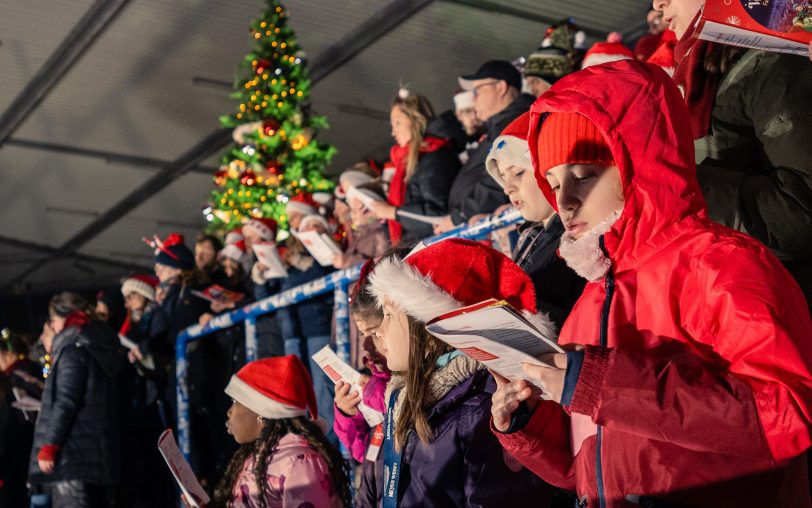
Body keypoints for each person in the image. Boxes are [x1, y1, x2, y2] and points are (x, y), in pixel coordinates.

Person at [491, 60, 812, 506]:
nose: (563, 201)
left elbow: (788, 417)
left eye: (584, 175)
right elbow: (592, 468)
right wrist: (532, 426)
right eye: (551, 182)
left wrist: (606, 387)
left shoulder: (722, 264)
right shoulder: (592, 296)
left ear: (638, 160)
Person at [367, 238, 556, 507]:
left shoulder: (480, 411)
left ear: (427, 327)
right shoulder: (405, 398)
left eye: (387, 315)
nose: (379, 331)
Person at [653, 0, 812, 304]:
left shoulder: (778, 63)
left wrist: (680, 184)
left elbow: (803, 212)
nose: (658, 3)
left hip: (784, 310)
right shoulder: (708, 75)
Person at [485, 112, 585, 327]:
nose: (507, 188)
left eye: (518, 173)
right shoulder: (532, 235)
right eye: (503, 178)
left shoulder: (576, 236)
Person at [210, 355, 351, 507]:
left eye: (235, 402)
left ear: (260, 412)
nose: (229, 412)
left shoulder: (299, 462)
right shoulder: (256, 456)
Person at [28, 292, 121, 508]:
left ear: (66, 317)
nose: (52, 327)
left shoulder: (73, 350)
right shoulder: (94, 343)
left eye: (53, 320)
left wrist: (50, 444)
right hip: (93, 455)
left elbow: (66, 401)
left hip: (72, 457)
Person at [434, 60, 534, 232]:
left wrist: (460, 216)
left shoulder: (513, 124)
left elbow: (496, 184)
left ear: (501, 87)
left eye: (478, 90)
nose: (473, 99)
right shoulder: (500, 125)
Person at [368, 90, 460, 244]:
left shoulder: (434, 156)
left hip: (435, 248)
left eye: (397, 123)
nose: (393, 132)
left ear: (416, 120)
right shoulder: (408, 163)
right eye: (392, 125)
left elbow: (438, 215)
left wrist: (392, 213)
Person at [334, 261, 392, 508]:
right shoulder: (376, 376)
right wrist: (348, 414)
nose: (366, 346)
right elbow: (361, 452)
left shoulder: (413, 379)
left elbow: (409, 403)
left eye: (374, 332)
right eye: (362, 335)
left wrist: (374, 393)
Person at [278, 214, 337, 439]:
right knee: (299, 392)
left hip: (319, 330)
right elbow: (283, 290)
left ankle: (329, 443)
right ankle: (305, 441)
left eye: (317, 226)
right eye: (307, 227)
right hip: (294, 334)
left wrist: (306, 267)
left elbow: (326, 274)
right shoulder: (293, 264)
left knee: (323, 391)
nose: (312, 230)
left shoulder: (329, 256)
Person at [0, 328, 42, 508]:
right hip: (25, 443)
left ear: (8, 354)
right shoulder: (28, 370)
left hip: (19, 444)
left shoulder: (16, 376)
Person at [333, 182, 390, 270]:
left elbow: (381, 266)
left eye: (356, 210)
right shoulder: (358, 233)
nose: (353, 214)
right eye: (352, 210)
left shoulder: (378, 234)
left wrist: (348, 261)